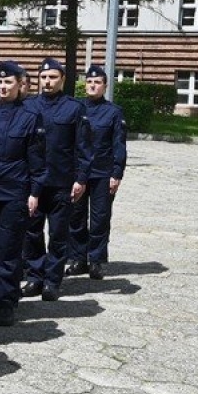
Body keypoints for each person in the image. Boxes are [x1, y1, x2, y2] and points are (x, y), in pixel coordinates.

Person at [0, 61, 44, 327]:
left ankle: (6, 302)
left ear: (20, 84)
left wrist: (35, 191)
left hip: (14, 192)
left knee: (9, 250)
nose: (3, 87)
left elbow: (36, 158)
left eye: (9, 82)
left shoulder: (30, 116)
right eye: (0, 82)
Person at [22, 58, 91, 301]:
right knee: (32, 232)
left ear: (62, 79)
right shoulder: (28, 106)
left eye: (52, 77)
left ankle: (52, 280)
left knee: (58, 234)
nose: (48, 82)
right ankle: (34, 277)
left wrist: (81, 178)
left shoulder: (74, 108)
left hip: (61, 182)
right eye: (44, 77)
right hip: (33, 184)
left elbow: (83, 147)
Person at [69, 66, 126, 279]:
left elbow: (118, 144)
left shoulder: (113, 112)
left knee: (100, 218)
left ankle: (96, 260)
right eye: (89, 82)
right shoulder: (76, 108)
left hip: (103, 172)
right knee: (76, 216)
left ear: (105, 86)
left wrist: (117, 173)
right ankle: (78, 259)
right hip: (78, 173)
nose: (92, 85)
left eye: (97, 82)